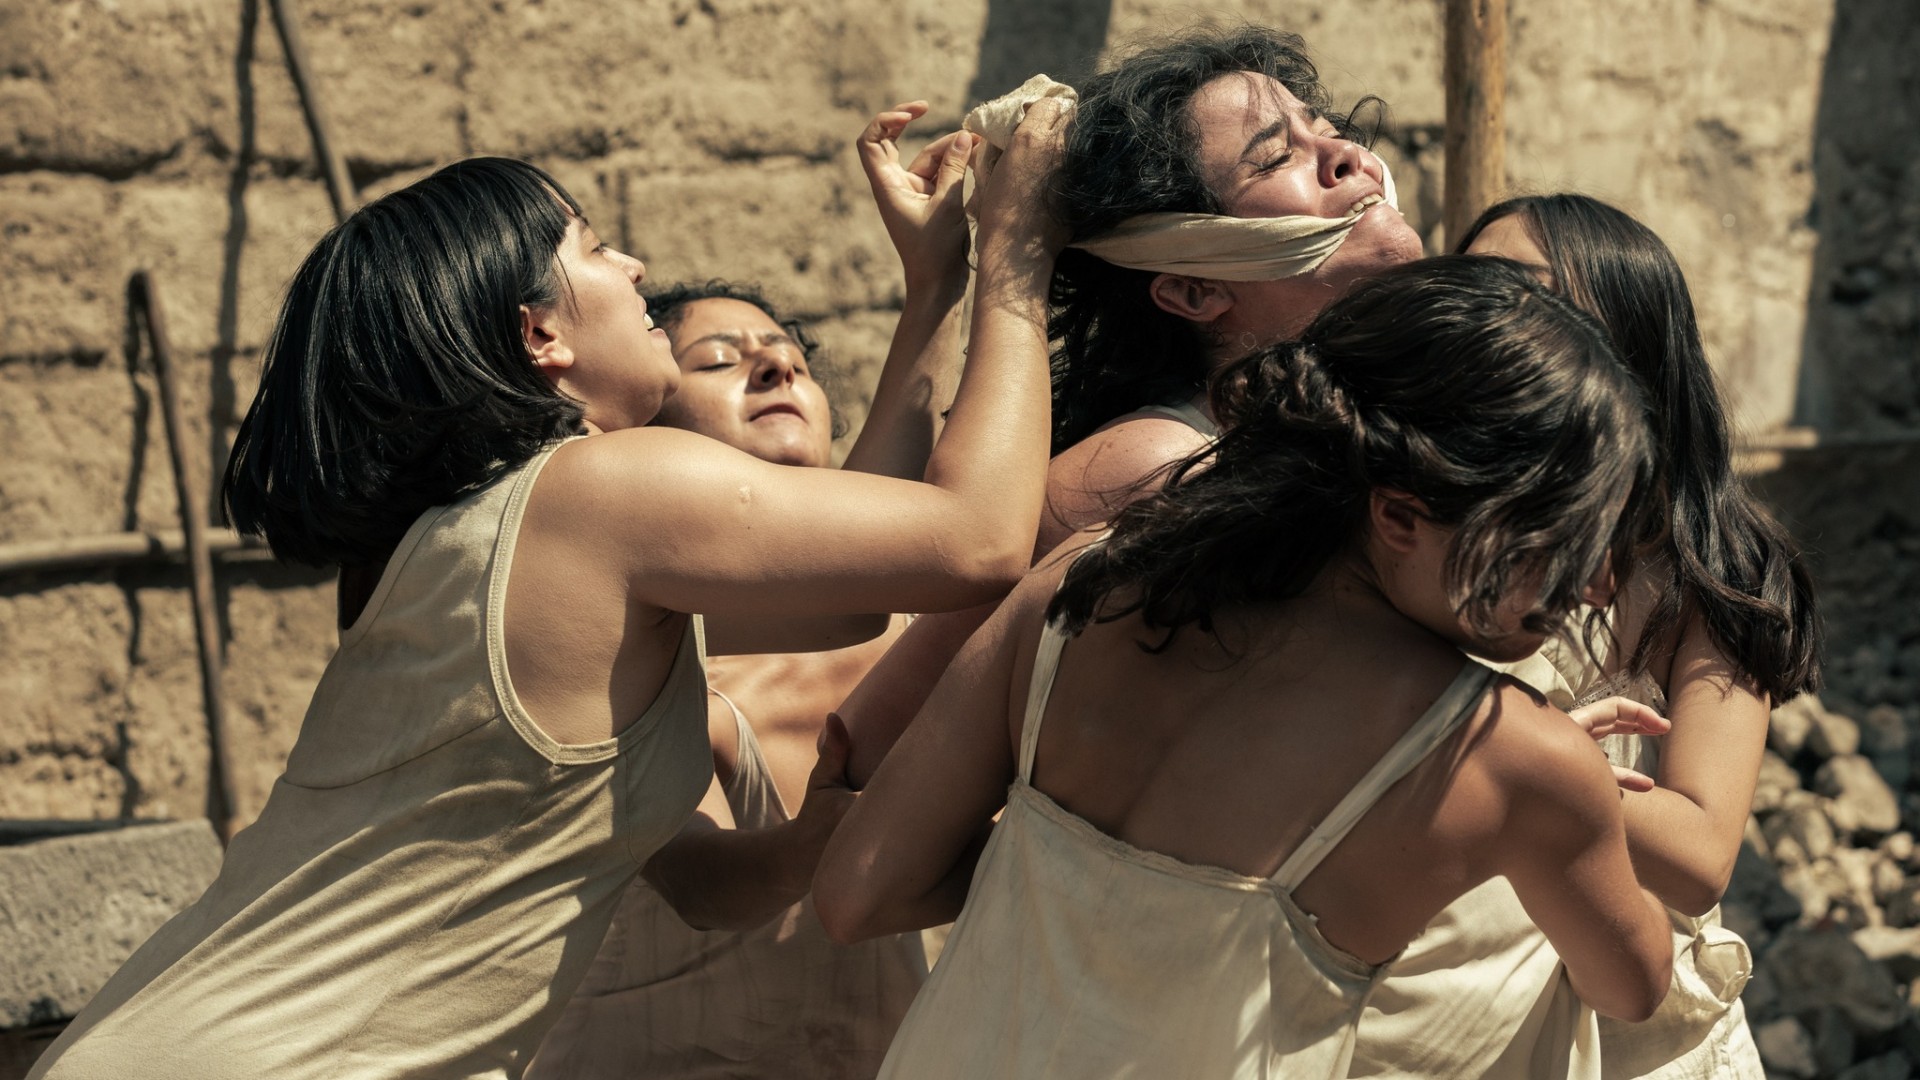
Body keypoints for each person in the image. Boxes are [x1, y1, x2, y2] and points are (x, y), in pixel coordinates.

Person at [27, 97, 1068, 1080]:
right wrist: (1021, 248)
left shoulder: (477, 543)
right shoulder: (601, 494)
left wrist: (936, 286)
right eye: (596, 248)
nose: (636, 266)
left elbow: (843, 607)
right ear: (541, 335)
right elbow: (975, 541)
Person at [814, 256, 1675, 1080]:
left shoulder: (1087, 578)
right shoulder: (1517, 758)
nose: (1594, 584)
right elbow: (1632, 987)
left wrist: (1065, 884)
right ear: (1401, 516)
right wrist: (1569, 792)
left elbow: (857, 892)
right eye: (1563, 540)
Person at [840, 24, 1427, 785]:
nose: (1346, 155)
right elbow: (871, 748)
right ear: (1193, 289)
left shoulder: (1394, 424)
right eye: (1274, 156)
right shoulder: (1158, 467)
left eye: (1327, 130)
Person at [1357, 194, 1817, 1080]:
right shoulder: (1427, 516)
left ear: (1626, 351)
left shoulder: (1700, 569)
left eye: (1526, 293)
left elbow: (1700, 853)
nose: (1490, 313)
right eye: (1474, 284)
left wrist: (1531, 766)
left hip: (1638, 1035)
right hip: (1456, 1010)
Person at [526, 280, 944, 1080]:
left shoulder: (911, 630)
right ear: (649, 439)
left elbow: (915, 504)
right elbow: (698, 884)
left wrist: (940, 280)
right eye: (718, 360)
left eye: (794, 360)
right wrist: (809, 848)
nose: (776, 368)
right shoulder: (642, 663)